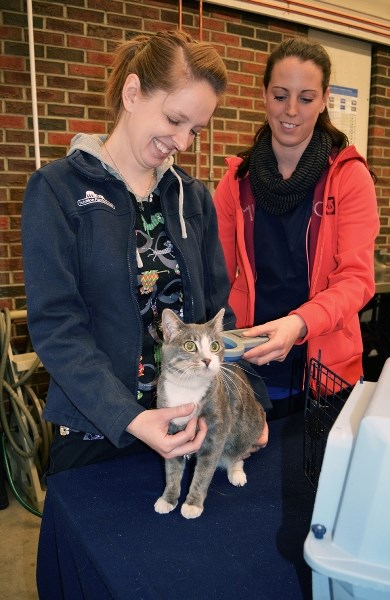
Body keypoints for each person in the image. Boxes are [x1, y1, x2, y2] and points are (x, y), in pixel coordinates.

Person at [22, 29, 269, 477]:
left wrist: (250, 403)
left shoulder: (191, 197)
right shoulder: (57, 190)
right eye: (175, 120)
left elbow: (218, 315)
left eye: (195, 129)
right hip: (98, 433)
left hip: (191, 419)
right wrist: (132, 418)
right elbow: (57, 328)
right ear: (133, 93)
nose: (184, 142)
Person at [214, 37, 379, 419]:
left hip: (324, 372)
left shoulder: (349, 177)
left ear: (324, 101)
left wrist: (300, 322)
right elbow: (216, 276)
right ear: (264, 95)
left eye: (306, 98)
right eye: (280, 95)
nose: (291, 110)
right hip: (249, 363)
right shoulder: (236, 181)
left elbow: (356, 280)